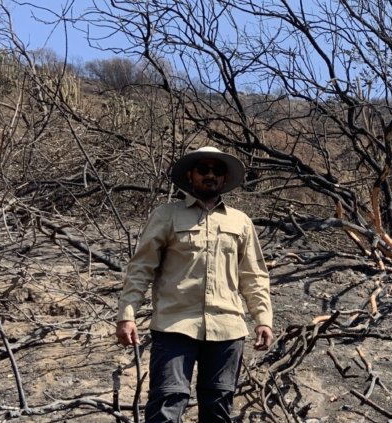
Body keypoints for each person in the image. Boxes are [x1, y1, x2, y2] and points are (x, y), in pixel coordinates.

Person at [115, 146, 274, 423]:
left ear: (224, 178)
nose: (210, 175)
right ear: (191, 175)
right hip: (174, 326)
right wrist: (126, 314)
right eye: (203, 169)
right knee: (166, 404)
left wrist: (263, 318)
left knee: (218, 407)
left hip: (227, 329)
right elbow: (141, 268)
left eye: (217, 170)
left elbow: (254, 275)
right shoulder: (166, 215)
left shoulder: (241, 221)